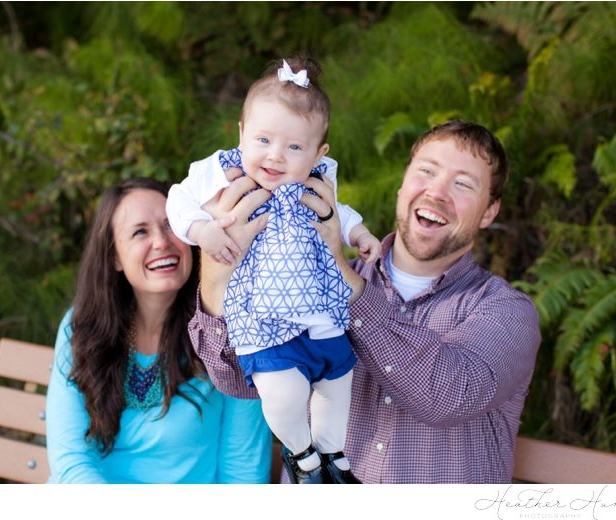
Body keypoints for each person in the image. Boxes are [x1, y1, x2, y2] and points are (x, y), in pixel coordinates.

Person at [189, 120, 542, 483]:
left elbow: (450, 394)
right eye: (426, 172)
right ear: (403, 184)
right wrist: (218, 268)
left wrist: (338, 273)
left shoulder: (507, 310)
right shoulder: (300, 283)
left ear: (489, 212)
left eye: (462, 184)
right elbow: (235, 379)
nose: (437, 192)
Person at [167, 57, 381, 484]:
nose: (275, 156)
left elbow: (339, 211)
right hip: (262, 317)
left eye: (294, 147)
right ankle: (301, 453)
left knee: (338, 384)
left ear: (319, 153)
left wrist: (358, 234)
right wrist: (201, 231)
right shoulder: (222, 172)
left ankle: (332, 455)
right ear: (242, 132)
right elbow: (177, 199)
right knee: (282, 396)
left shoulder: (314, 182)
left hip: (321, 315)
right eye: (263, 139)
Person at [45, 178, 272, 483]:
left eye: (171, 225)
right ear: (114, 256)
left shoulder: (230, 333)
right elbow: (70, 459)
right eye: (140, 232)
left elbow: (242, 471)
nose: (162, 242)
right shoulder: (82, 328)